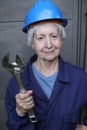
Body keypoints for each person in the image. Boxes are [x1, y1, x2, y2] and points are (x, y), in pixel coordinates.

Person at [5, 0, 87, 130]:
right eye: (40, 38)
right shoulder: (15, 84)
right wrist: (19, 112)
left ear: (61, 40)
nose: (49, 45)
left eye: (54, 36)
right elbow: (13, 127)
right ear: (32, 43)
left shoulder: (80, 78)